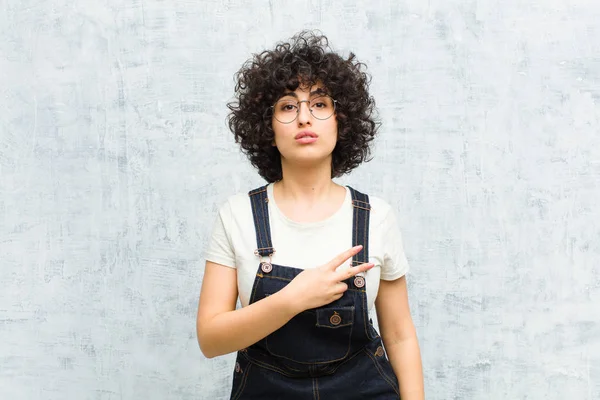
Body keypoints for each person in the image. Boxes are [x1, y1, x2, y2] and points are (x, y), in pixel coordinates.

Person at [196, 31, 424, 400]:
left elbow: (400, 335)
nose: (304, 118)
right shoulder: (237, 215)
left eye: (319, 104)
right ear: (267, 127)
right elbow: (210, 339)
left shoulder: (377, 216)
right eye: (288, 106)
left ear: (342, 120)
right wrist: (293, 298)